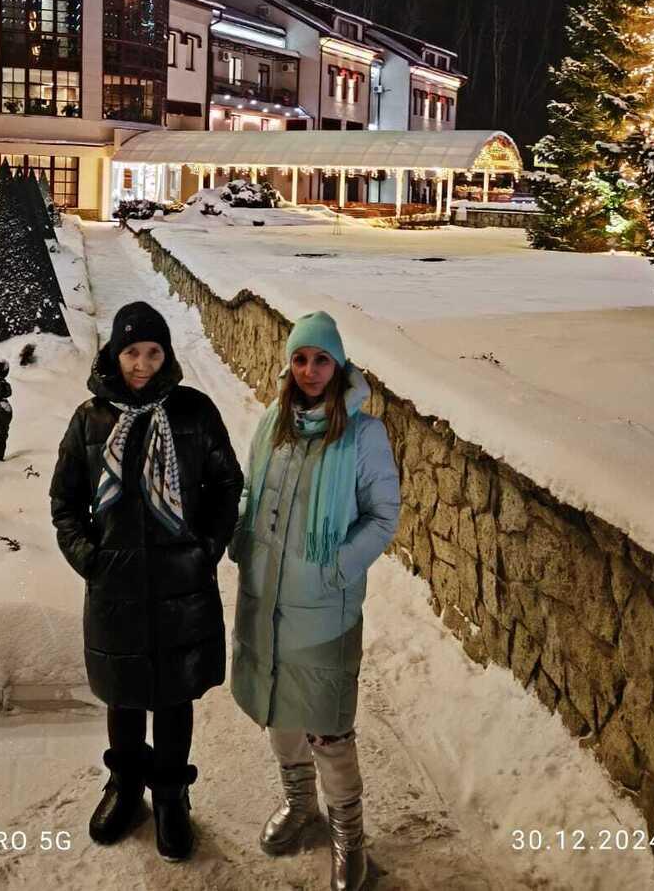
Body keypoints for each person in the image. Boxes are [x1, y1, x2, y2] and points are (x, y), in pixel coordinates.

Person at [50, 301, 242, 862]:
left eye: (153, 352)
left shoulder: (195, 412)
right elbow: (65, 500)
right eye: (132, 352)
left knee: (175, 694)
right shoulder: (90, 419)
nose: (141, 364)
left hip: (183, 585)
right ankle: (127, 786)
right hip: (117, 585)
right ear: (115, 352)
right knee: (125, 693)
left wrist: (206, 549)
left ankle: (171, 794)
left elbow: (227, 483)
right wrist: (90, 557)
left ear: (166, 354)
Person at [229, 311, 400, 891]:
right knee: (280, 712)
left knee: (327, 727)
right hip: (265, 599)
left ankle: (349, 835)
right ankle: (299, 805)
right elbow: (254, 491)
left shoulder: (363, 435)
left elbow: (383, 517)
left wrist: (337, 568)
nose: (309, 371)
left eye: (321, 359)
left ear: (339, 365)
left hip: (323, 609)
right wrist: (240, 538)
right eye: (300, 359)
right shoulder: (272, 423)